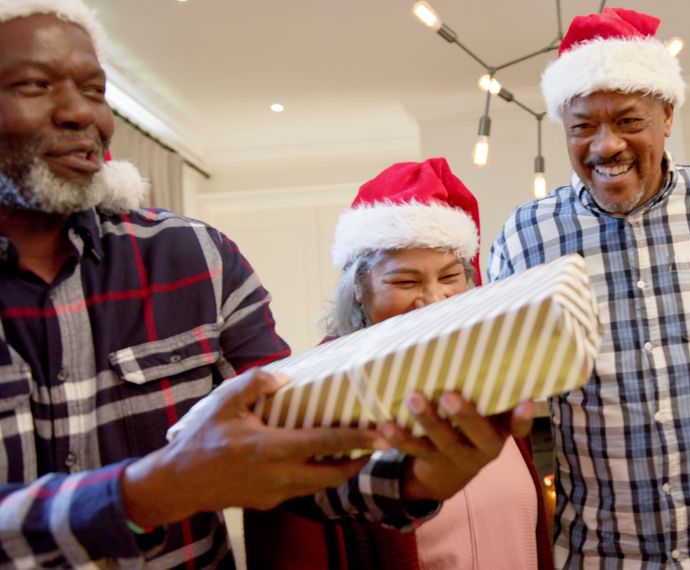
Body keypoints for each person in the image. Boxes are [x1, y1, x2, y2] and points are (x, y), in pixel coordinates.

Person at [0, 2, 529, 567]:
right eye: (37, 84)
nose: (82, 113)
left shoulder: (196, 259)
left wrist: (416, 481)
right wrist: (145, 491)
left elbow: (297, 449)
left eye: (95, 89)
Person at [489, 7, 690, 567]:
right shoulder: (524, 235)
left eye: (628, 121)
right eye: (582, 126)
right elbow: (501, 384)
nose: (605, 146)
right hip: (603, 550)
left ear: (666, 116)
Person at [245, 158, 553, 570]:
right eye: (405, 282)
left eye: (449, 277)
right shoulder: (318, 400)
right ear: (358, 289)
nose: (431, 300)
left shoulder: (492, 389)